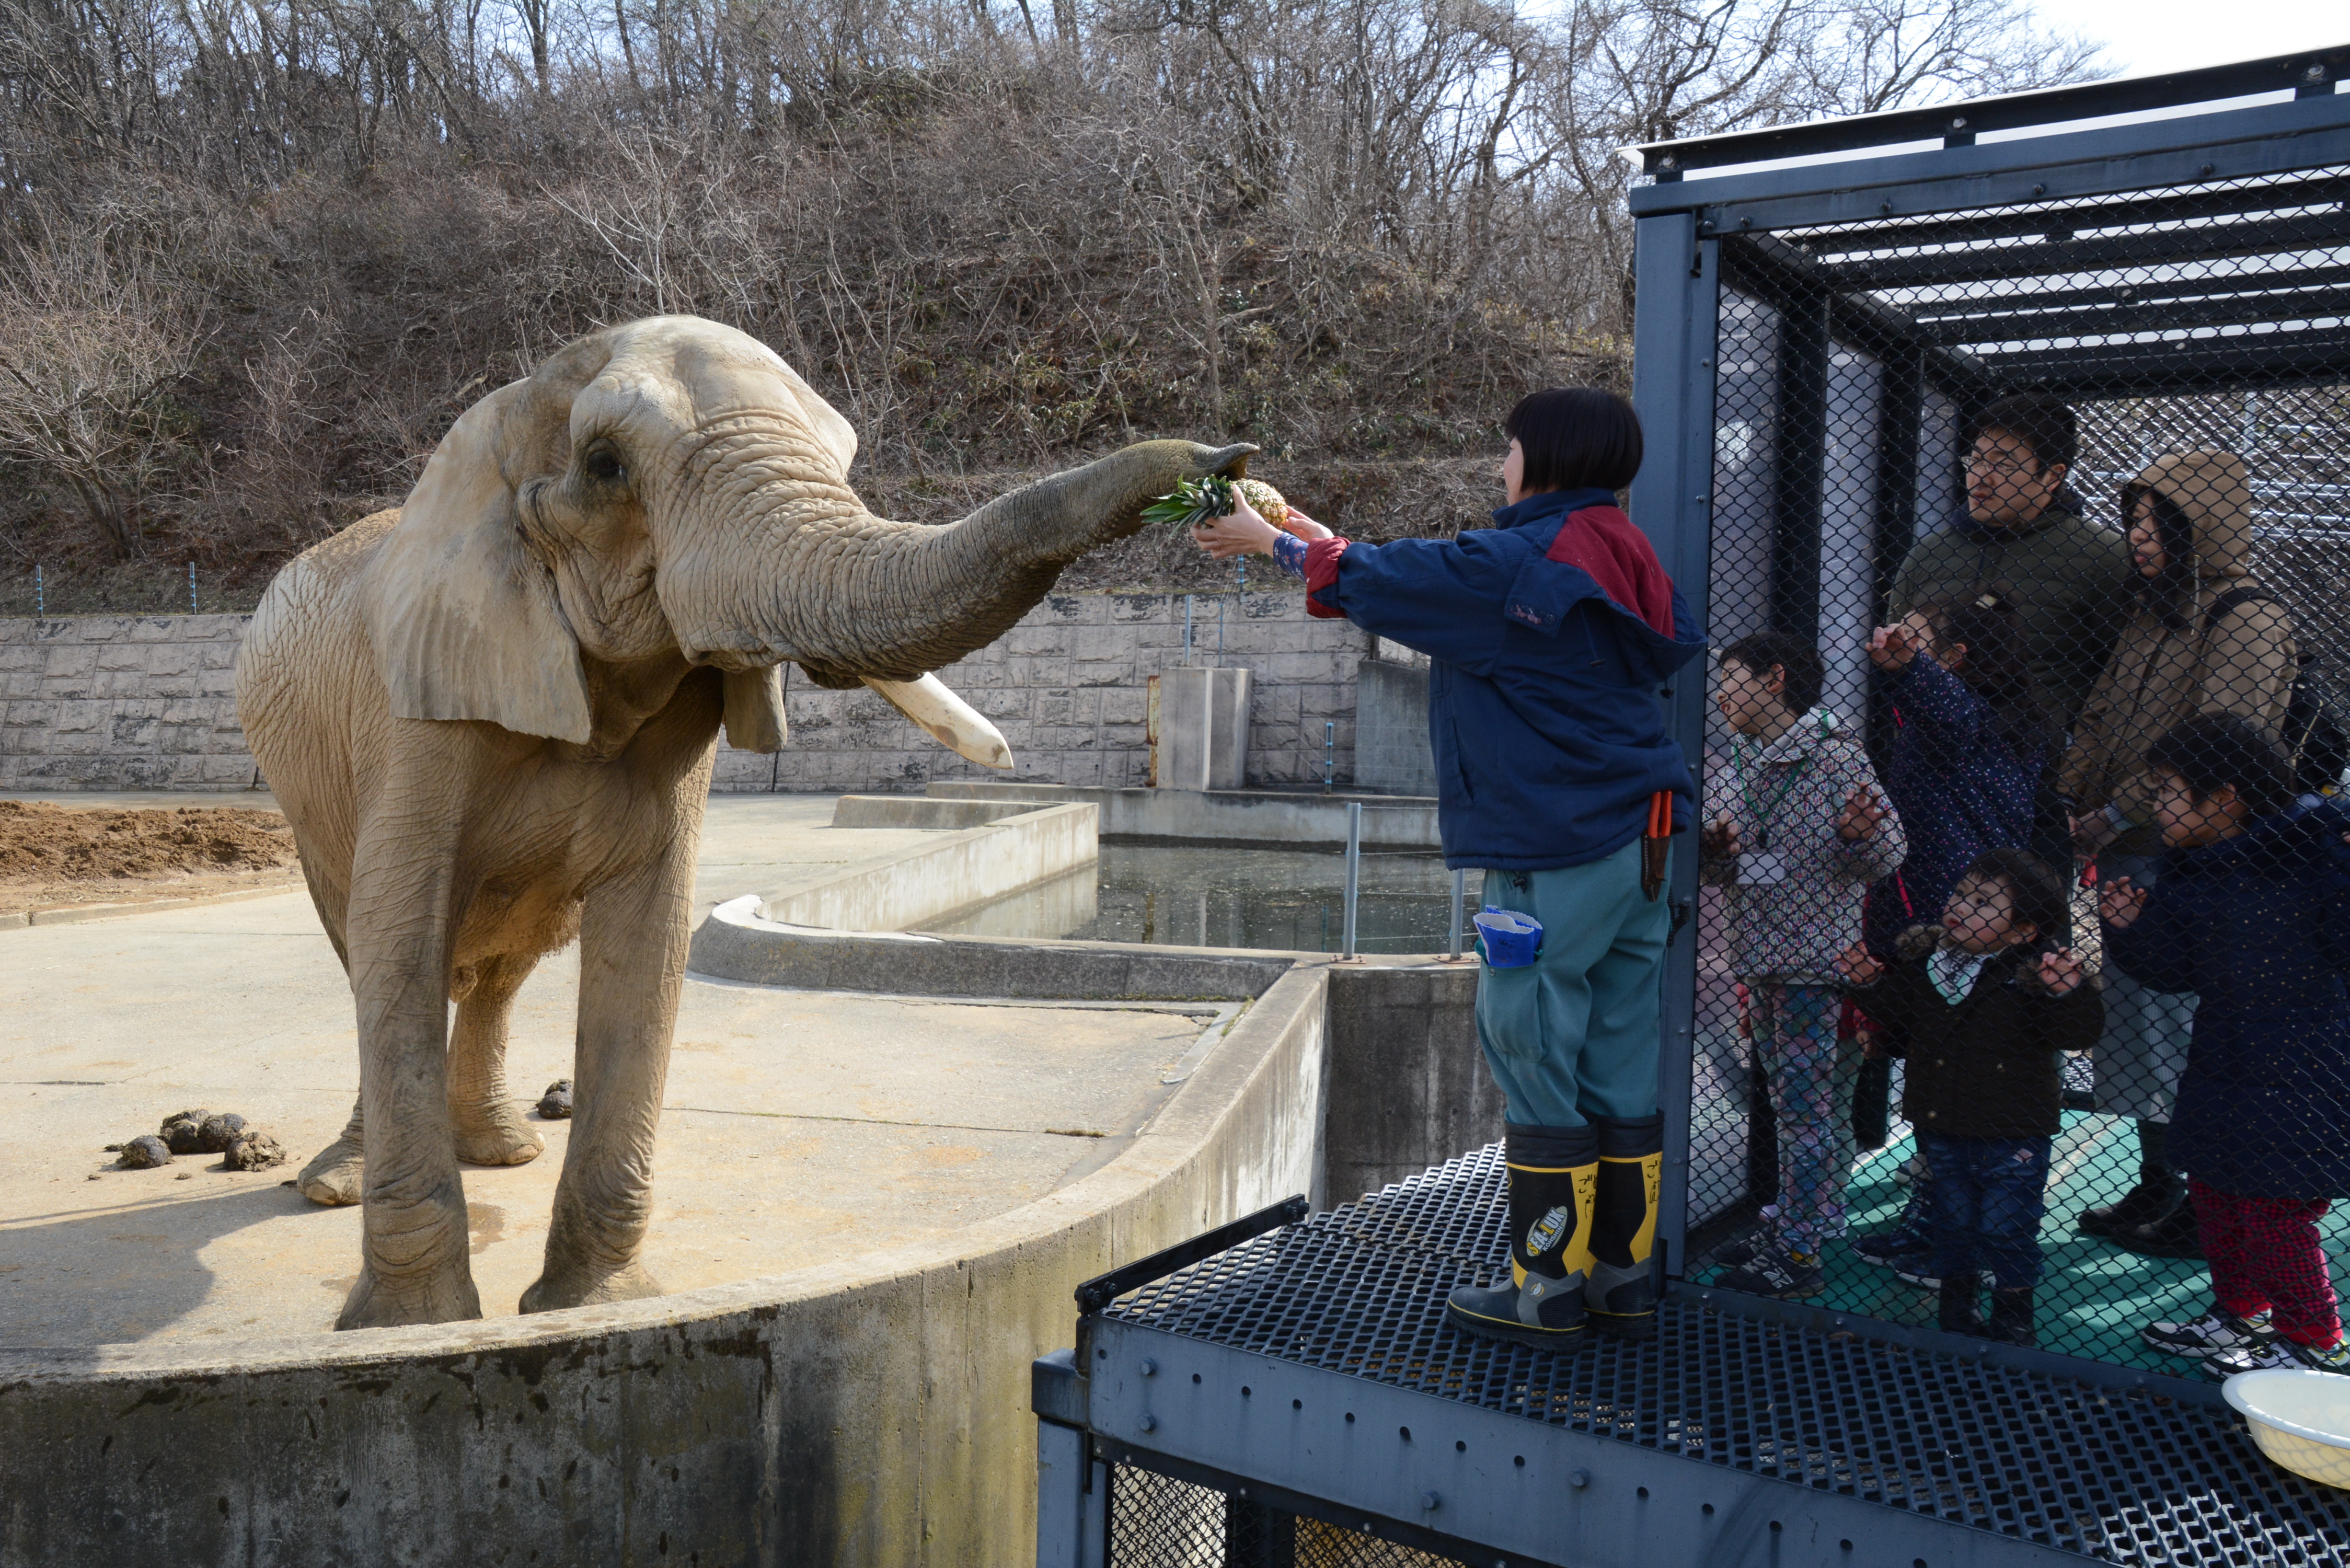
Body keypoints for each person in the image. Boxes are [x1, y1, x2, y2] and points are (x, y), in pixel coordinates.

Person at [1188, 387, 1705, 1347]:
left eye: (1508, 449)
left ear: (1542, 458)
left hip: (1560, 840)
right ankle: (1621, 1279)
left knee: (1534, 1043)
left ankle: (1544, 1288)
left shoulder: (1521, 557)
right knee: (1620, 1052)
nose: (1500, 465)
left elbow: (1424, 581)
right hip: (1648, 837)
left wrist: (1270, 544)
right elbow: (1425, 586)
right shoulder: (1620, 549)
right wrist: (1311, 536)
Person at [2061, 453, 2298, 1258]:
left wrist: (2114, 810)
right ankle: (2160, 1184)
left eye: (2156, 521)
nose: (2139, 536)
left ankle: (2204, 1201)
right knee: (2134, 1033)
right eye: (2133, 519)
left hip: (2193, 855)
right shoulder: (2152, 612)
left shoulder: (2248, 618)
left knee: (2179, 1033)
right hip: (2125, 844)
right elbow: (2100, 711)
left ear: (2201, 526)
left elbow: (2213, 745)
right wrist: (2070, 797)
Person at [2101, 713, 2350, 1376]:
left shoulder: (2314, 849)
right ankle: (2237, 1316)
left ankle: (2314, 1342)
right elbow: (2174, 970)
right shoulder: (2190, 870)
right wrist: (2129, 929)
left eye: (2166, 790)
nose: (2155, 804)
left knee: (2276, 1214)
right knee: (2213, 1195)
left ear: (2224, 798)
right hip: (2221, 1060)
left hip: (2305, 1070)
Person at [1846, 596, 2059, 1271]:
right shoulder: (1988, 722)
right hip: (1941, 914)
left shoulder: (1973, 720)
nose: (1902, 641)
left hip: (1958, 921)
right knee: (1933, 1080)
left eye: (1920, 635)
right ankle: (1931, 1221)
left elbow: (1950, 713)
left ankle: (1952, 1241)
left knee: (1954, 1089)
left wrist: (1912, 670)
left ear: (1956, 659)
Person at [1697, 632, 1906, 1299]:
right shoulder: (1739, 759)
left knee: (1806, 1111)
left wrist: (1857, 836)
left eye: (1732, 679)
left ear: (1775, 678)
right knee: (1793, 1108)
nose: (1721, 693)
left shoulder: (1831, 756)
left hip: (1812, 964)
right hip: (1760, 957)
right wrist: (1716, 854)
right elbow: (1738, 872)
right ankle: (1792, 1226)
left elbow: (1887, 853)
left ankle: (1799, 1250)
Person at [1837, 851, 2101, 1348]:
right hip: (1943, 1127)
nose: (1962, 905)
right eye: (1962, 894)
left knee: (2006, 1230)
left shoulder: (2029, 976)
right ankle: (1957, 1312)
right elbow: (1898, 1015)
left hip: (2012, 1134)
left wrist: (2068, 993)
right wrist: (1869, 983)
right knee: (1955, 1225)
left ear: (2023, 932)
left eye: (1983, 902)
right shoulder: (1929, 965)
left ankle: (2013, 1318)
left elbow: (2077, 1031)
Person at [1890, 391, 2133, 733]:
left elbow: (2123, 677)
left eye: (2003, 464)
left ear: (2053, 475)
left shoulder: (2104, 556)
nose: (1981, 477)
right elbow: (1894, 657)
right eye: (1975, 460)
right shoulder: (1930, 554)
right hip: (1931, 760)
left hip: (2043, 768)